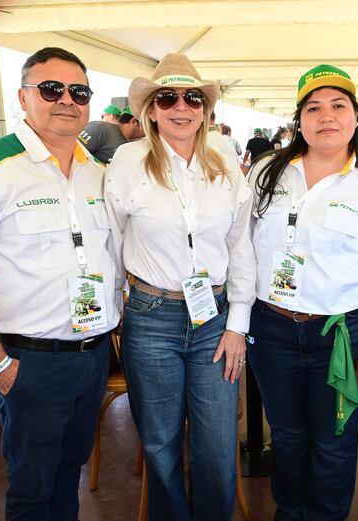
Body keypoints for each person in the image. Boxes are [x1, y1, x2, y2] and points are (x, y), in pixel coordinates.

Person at [0, 46, 120, 521]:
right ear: (23, 96)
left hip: (93, 355)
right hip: (30, 362)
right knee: (32, 489)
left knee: (69, 470)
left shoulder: (97, 172)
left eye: (78, 91)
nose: (66, 100)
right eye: (51, 88)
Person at [247, 64, 358, 520]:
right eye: (314, 107)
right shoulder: (267, 174)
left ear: (356, 118)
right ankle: (289, 512)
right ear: (299, 119)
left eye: (339, 106)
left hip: (340, 336)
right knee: (287, 435)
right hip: (272, 328)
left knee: (333, 443)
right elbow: (241, 249)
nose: (327, 116)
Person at [104, 53, 256, 520]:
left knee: (215, 441)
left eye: (192, 97)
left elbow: (241, 248)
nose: (181, 107)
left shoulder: (226, 166)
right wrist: (115, 316)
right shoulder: (129, 162)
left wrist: (238, 325)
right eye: (167, 97)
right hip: (150, 318)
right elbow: (109, 246)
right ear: (151, 109)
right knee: (160, 441)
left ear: (205, 110)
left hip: (214, 316)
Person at [78, 106, 144, 163]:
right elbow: (73, 154)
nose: (150, 131)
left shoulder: (135, 144)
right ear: (134, 122)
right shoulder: (100, 129)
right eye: (149, 125)